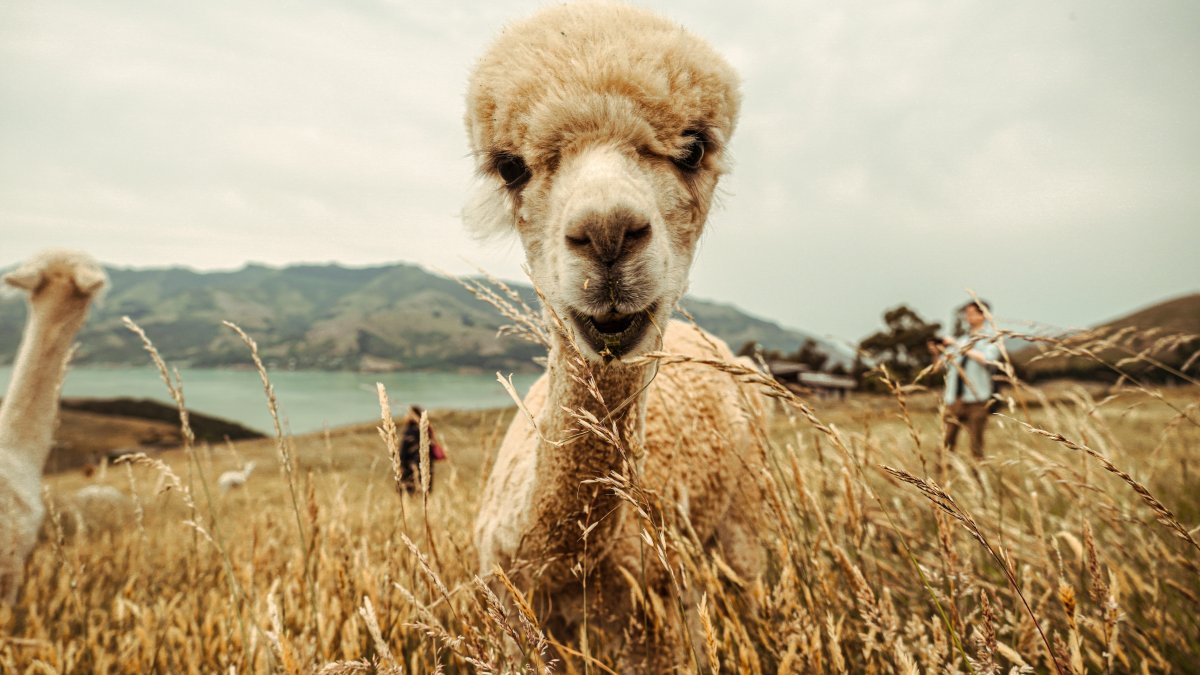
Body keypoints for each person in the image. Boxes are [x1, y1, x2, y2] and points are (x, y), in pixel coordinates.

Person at [928, 300, 1002, 458]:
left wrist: (957, 346)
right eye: (966, 314)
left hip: (977, 399)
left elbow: (987, 359)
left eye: (971, 313)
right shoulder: (961, 340)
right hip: (954, 399)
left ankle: (978, 479)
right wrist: (936, 351)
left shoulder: (991, 339)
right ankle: (940, 479)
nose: (968, 317)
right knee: (945, 444)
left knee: (976, 446)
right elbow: (939, 366)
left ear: (983, 315)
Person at [398, 405, 447, 494]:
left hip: (411, 468)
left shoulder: (410, 431)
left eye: (407, 414)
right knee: (424, 492)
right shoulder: (426, 430)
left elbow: (403, 452)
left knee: (411, 493)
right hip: (426, 467)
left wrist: (400, 465)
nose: (405, 416)